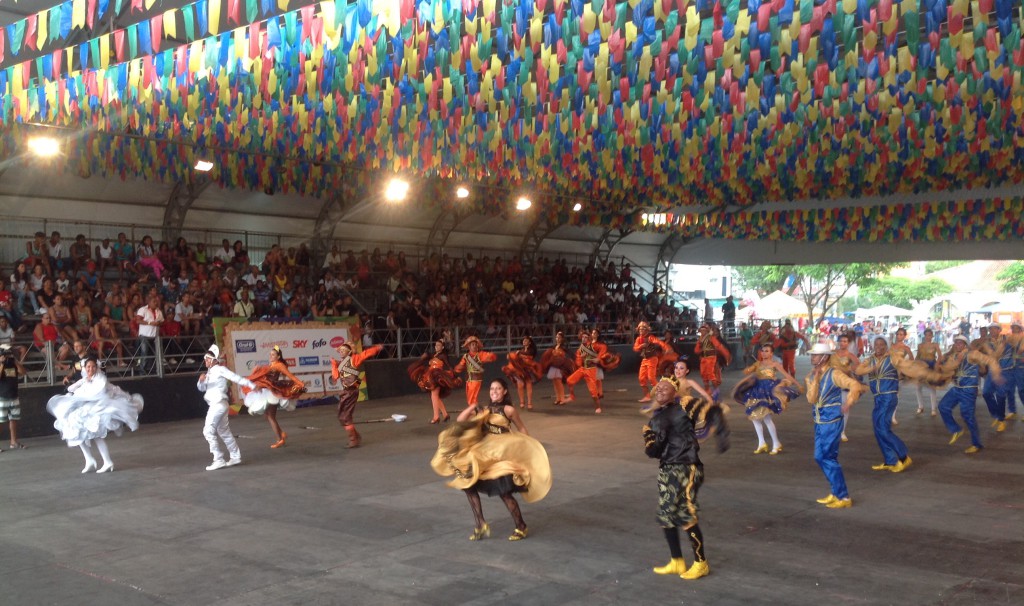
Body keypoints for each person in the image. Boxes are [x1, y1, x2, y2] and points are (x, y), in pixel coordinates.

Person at [430, 378, 552, 542]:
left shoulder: (508, 410)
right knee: (469, 485)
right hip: (484, 452)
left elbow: (521, 427)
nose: (494, 391)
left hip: (500, 454)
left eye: (498, 389)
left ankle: (521, 525)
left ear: (505, 391)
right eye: (492, 389)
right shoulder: (484, 409)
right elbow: (460, 420)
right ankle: (480, 524)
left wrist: (526, 447)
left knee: (504, 492)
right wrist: (473, 406)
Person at [643, 378, 729, 580]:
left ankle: (701, 563)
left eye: (666, 388)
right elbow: (654, 452)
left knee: (685, 515)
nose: (660, 390)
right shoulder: (655, 419)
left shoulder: (685, 405)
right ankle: (677, 561)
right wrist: (649, 439)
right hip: (667, 469)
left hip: (686, 466)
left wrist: (722, 436)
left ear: (676, 392)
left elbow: (714, 410)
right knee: (666, 515)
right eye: (658, 388)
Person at [46, 357, 144, 473]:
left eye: (93, 367)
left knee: (96, 435)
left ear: (96, 367)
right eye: (88, 367)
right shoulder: (86, 379)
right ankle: (89, 459)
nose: (90, 369)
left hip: (96, 409)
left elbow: (105, 391)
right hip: (85, 410)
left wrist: (128, 397)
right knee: (75, 432)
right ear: (85, 368)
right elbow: (71, 388)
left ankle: (107, 461)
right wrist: (82, 381)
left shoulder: (101, 379)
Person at [804, 342, 865, 508]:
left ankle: (843, 496)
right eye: (812, 355)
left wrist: (848, 403)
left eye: (815, 355)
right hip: (819, 421)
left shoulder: (834, 374)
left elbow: (855, 385)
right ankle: (836, 491)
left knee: (828, 457)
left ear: (824, 357)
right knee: (819, 456)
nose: (812, 357)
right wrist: (815, 378)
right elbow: (811, 399)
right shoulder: (811, 375)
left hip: (831, 421)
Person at [854, 337, 913, 473]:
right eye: (876, 344)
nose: (879, 347)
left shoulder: (892, 357)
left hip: (888, 396)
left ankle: (904, 457)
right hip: (878, 398)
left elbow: (906, 365)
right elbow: (858, 371)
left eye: (882, 344)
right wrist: (873, 367)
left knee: (882, 428)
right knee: (878, 428)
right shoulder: (870, 359)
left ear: (886, 346)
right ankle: (890, 460)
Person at [934, 335, 1001, 454]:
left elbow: (990, 360)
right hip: (957, 388)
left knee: (967, 416)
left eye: (960, 343)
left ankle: (976, 444)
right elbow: (947, 368)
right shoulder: (954, 356)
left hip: (968, 390)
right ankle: (956, 429)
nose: (958, 345)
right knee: (943, 406)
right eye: (956, 343)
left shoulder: (972, 354)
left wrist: (996, 374)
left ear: (965, 344)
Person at [733, 344, 801, 455]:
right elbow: (746, 372)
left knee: (766, 418)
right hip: (756, 391)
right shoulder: (757, 364)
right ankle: (761, 443)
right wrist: (748, 369)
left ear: (771, 353)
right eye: (762, 351)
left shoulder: (775, 364)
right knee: (754, 417)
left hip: (767, 391)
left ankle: (776, 443)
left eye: (766, 351)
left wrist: (798, 384)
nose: (764, 353)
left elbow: (787, 375)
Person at [198, 345, 256, 471]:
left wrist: (251, 385)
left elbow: (235, 377)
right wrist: (201, 381)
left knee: (208, 431)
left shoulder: (219, 369)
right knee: (223, 431)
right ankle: (235, 456)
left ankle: (218, 459)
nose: (206, 361)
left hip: (218, 404)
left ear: (214, 360)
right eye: (205, 358)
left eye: (208, 358)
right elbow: (201, 388)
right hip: (219, 405)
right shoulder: (209, 373)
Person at [242, 345, 307, 448]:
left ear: (278, 356)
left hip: (273, 393)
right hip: (268, 391)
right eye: (270, 354)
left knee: (271, 416)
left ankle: (280, 439)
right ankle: (281, 434)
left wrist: (300, 384)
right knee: (268, 415)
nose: (271, 356)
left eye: (273, 355)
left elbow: (290, 376)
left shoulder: (279, 365)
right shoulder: (271, 364)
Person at [330, 341, 382, 448]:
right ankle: (356, 436)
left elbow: (366, 354)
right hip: (346, 392)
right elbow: (335, 377)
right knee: (342, 415)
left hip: (351, 391)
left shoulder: (354, 359)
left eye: (344, 350)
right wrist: (334, 365)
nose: (341, 352)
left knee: (345, 416)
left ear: (349, 352)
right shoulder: (341, 363)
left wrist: (376, 348)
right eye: (340, 350)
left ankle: (353, 439)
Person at [407, 339, 460, 424]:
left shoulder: (443, 355)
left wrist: (454, 375)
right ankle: (445, 415)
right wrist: (424, 356)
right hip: (431, 376)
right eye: (435, 345)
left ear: (442, 347)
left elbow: (449, 365)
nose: (436, 347)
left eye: (438, 345)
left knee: (434, 396)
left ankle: (436, 417)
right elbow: (425, 357)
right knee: (434, 396)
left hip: (437, 376)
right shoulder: (434, 355)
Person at [981, 322, 1015, 432]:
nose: (992, 331)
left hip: (1005, 372)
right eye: (990, 329)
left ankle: (1001, 420)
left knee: (1001, 396)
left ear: (999, 330)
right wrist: (1003, 345)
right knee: (986, 393)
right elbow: (994, 356)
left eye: (995, 329)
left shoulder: (1008, 339)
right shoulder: (987, 343)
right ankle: (996, 414)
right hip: (993, 371)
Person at [565, 330, 605, 414]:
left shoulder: (593, 346)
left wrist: (598, 358)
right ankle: (572, 396)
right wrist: (581, 357)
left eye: (586, 337)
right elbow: (578, 362)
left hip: (591, 370)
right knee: (569, 381)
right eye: (583, 337)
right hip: (583, 369)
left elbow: (603, 349)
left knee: (593, 391)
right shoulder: (581, 348)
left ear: (589, 338)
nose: (584, 339)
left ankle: (598, 407)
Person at [832, 332, 861, 442]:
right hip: (832, 383)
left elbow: (858, 365)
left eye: (845, 341)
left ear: (848, 343)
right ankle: (833, 429)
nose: (842, 343)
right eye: (841, 341)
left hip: (844, 383)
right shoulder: (833, 353)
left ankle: (842, 431)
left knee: (845, 406)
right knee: (832, 406)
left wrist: (850, 370)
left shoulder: (850, 355)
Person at [453, 336, 498, 407]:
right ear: (469, 346)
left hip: (476, 379)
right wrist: (455, 370)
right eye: (472, 344)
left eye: (475, 344)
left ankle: (474, 410)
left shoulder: (480, 355)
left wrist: (490, 356)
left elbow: (492, 356)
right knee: (470, 397)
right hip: (468, 380)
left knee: (472, 397)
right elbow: (460, 366)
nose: (475, 346)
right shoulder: (466, 356)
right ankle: (475, 410)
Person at [502, 336, 543, 410]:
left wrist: (519, 353)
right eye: (523, 340)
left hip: (528, 369)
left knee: (528, 384)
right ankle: (522, 402)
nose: (524, 341)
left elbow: (528, 354)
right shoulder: (521, 350)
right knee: (520, 385)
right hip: (520, 370)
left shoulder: (531, 350)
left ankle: (529, 403)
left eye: (526, 340)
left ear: (529, 342)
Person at [0, 345, 27, 450]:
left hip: (13, 396)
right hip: (2, 397)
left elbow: (23, 372)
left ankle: (13, 442)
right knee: (0, 421)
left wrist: (15, 361)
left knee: (13, 419)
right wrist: (1, 363)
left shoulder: (12, 363)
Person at [694, 323, 731, 401]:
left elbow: (719, 346)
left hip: (711, 358)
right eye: (701, 330)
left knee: (710, 374)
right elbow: (696, 350)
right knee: (703, 374)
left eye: (704, 330)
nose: (702, 332)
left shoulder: (711, 338)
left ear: (707, 331)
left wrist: (726, 355)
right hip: (704, 358)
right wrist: (701, 350)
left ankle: (716, 391)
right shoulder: (700, 339)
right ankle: (707, 391)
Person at [633, 321, 669, 402]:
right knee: (641, 378)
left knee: (651, 378)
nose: (641, 331)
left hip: (652, 359)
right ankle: (647, 396)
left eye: (642, 329)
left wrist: (666, 348)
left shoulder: (650, 337)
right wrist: (641, 346)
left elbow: (659, 342)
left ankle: (662, 394)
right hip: (645, 359)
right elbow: (635, 348)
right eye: (640, 329)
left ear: (646, 330)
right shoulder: (639, 339)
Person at [540, 331, 576, 406]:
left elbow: (571, 354)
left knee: (559, 382)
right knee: (555, 383)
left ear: (562, 339)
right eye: (556, 337)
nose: (557, 339)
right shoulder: (554, 346)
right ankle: (558, 398)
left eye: (559, 337)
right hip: (554, 366)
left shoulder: (563, 347)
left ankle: (562, 399)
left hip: (560, 367)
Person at [914, 328, 941, 416]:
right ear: (924, 336)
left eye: (930, 335)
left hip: (932, 365)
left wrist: (937, 364)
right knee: (918, 387)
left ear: (932, 336)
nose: (928, 337)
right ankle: (920, 406)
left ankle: (933, 408)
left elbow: (940, 356)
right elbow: (918, 356)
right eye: (926, 335)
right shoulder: (920, 345)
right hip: (922, 366)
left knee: (932, 387)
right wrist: (914, 365)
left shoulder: (935, 345)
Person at [135, 296, 164, 373]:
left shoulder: (159, 311)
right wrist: (150, 323)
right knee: (144, 354)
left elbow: (162, 322)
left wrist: (159, 323)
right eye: (154, 301)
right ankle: (142, 371)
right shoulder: (142, 309)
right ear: (149, 302)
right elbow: (138, 321)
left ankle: (157, 370)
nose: (156, 303)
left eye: (157, 301)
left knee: (157, 353)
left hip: (155, 336)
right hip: (145, 335)